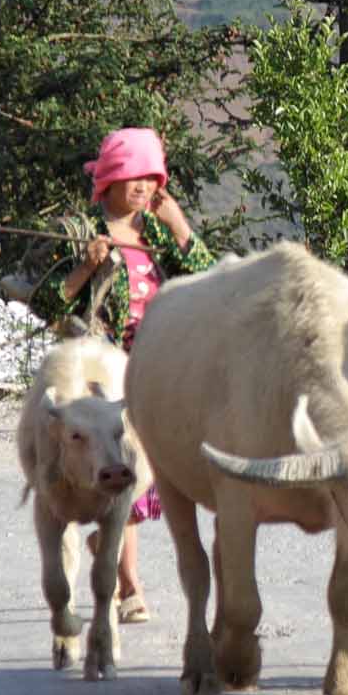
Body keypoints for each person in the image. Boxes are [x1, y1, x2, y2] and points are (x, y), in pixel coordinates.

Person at [30, 128, 213, 622]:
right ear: (109, 178)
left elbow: (206, 279)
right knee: (119, 465)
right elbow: (45, 304)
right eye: (134, 176)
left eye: (152, 177)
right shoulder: (79, 231)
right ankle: (128, 583)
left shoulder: (154, 231)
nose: (143, 187)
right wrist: (84, 271)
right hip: (98, 370)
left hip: (151, 366)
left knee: (146, 469)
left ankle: (111, 560)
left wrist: (180, 229)